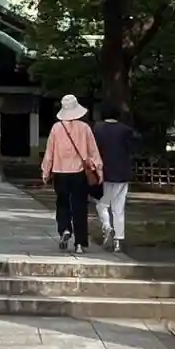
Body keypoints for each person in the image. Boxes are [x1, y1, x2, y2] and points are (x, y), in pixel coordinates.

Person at [40, 93, 103, 254]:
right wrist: (99, 170)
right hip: (79, 173)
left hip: (60, 172)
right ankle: (80, 243)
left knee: (62, 203)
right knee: (80, 206)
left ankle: (65, 229)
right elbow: (93, 151)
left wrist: (46, 171)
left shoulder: (56, 128)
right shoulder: (85, 128)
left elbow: (49, 153)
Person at [92, 104, 140, 254]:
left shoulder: (97, 129)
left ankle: (107, 227)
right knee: (118, 208)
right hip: (122, 173)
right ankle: (118, 240)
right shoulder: (126, 130)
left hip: (103, 172)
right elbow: (135, 146)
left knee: (102, 204)